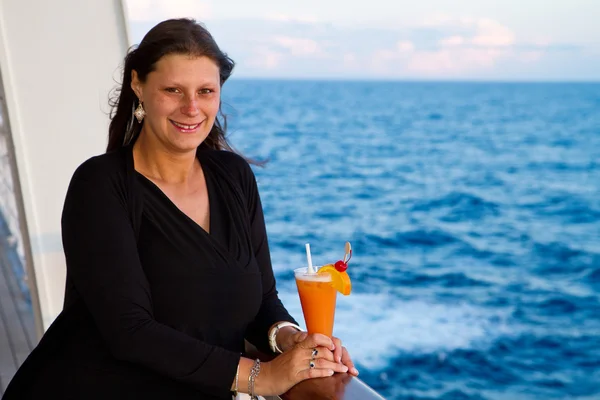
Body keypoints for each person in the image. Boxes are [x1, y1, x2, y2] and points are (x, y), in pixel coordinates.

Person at [2, 18, 358, 400]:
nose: (192, 108)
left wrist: (291, 340)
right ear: (139, 86)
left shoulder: (234, 177)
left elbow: (261, 300)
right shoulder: (100, 185)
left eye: (205, 91)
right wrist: (263, 377)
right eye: (173, 90)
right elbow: (130, 331)